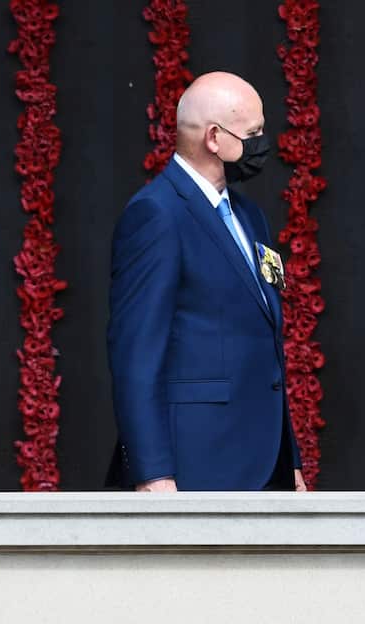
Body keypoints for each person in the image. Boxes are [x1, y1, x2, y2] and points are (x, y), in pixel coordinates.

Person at [106, 71, 304, 492]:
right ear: (213, 138)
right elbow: (136, 354)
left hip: (264, 466)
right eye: (253, 133)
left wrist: (291, 462)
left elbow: (264, 345)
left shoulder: (250, 216)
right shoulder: (157, 214)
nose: (262, 143)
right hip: (195, 466)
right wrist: (152, 472)